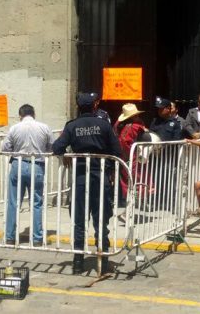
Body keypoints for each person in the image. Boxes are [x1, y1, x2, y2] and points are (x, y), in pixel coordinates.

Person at [52, 92, 123, 275]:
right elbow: (117, 151)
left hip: (80, 179)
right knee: (101, 221)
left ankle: (77, 263)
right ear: (94, 106)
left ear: (78, 107)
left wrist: (68, 154)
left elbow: (57, 148)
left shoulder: (72, 126)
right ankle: (103, 262)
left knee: (79, 222)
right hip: (101, 178)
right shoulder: (104, 125)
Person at [2, 104, 52, 247]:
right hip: (37, 165)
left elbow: (5, 148)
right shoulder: (44, 127)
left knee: (13, 202)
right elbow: (51, 147)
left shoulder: (14, 128)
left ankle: (10, 237)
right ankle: (37, 238)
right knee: (36, 203)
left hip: (18, 163)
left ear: (20, 115)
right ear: (33, 114)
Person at [114, 103, 148, 206]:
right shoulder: (134, 127)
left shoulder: (118, 125)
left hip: (124, 156)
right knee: (135, 179)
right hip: (132, 157)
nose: (137, 116)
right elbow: (124, 142)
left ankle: (131, 203)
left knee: (127, 180)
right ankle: (131, 205)